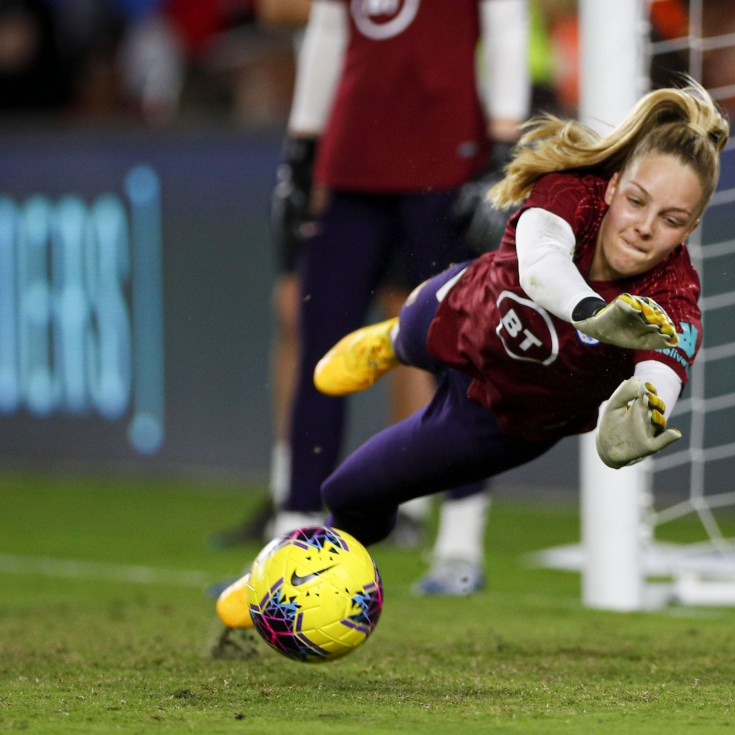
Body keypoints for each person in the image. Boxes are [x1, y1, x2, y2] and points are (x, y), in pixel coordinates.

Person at [216, 77, 729, 628]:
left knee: (350, 491)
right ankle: (385, 344)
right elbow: (540, 269)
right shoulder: (570, 191)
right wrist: (591, 313)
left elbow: (663, 373)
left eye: (671, 220)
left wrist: (640, 415)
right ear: (612, 187)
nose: (645, 227)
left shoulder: (674, 297)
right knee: (409, 328)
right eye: (636, 201)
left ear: (690, 229)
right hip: (456, 310)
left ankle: (279, 589)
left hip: (498, 418)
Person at [216, 0, 531, 597]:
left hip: (447, 156)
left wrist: (501, 147)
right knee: (320, 346)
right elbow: (330, 31)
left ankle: (461, 545)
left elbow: (506, 24)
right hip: (353, 160)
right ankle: (290, 541)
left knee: (462, 349)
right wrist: (303, 148)